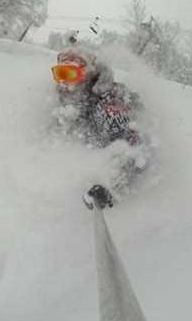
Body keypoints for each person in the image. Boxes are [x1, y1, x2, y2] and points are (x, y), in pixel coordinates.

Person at [50, 47, 149, 209]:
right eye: (60, 73)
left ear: (87, 75)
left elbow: (135, 153)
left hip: (127, 158)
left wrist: (108, 185)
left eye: (71, 74)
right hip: (97, 137)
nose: (63, 82)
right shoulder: (74, 95)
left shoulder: (109, 108)